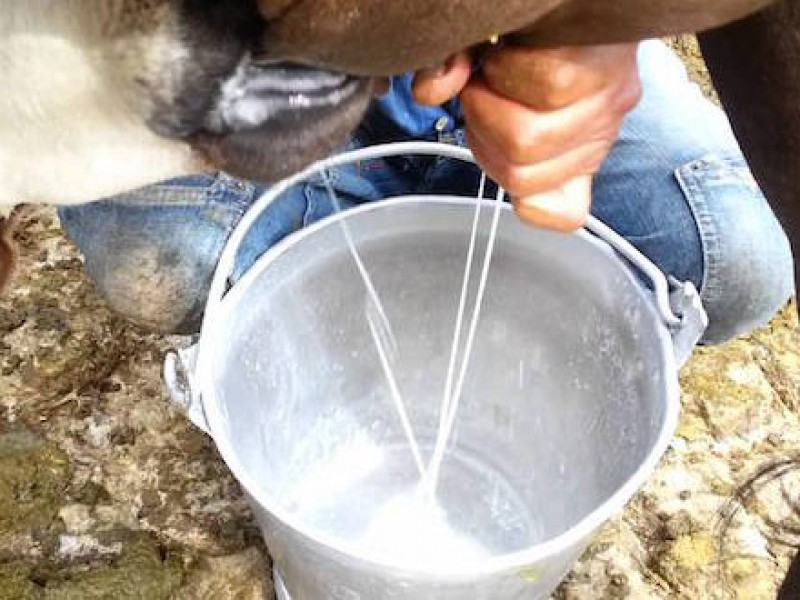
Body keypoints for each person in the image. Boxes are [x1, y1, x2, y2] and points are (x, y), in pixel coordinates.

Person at [58, 40, 794, 343]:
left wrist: (592, 37)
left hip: (517, 47)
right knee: (166, 258)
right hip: (256, 85)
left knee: (735, 253)